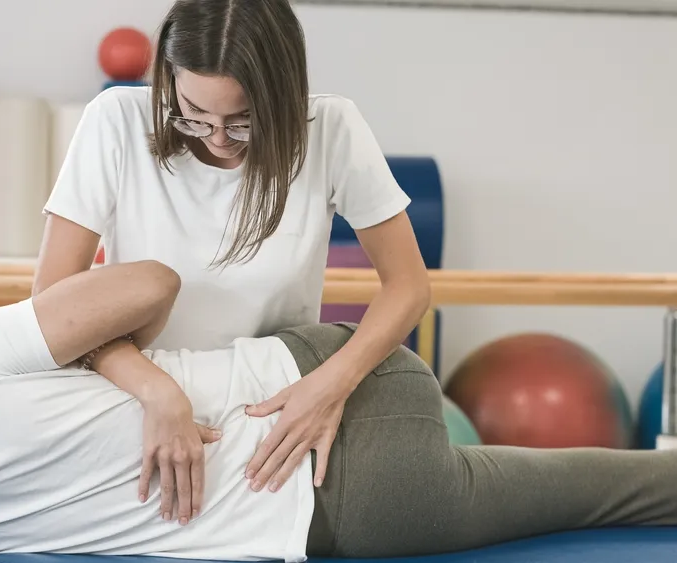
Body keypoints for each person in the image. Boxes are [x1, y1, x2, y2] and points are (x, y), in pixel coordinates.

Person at [0, 261, 677, 563]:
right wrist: (158, 390)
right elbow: (149, 280)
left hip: (365, 518)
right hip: (335, 373)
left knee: (621, 493)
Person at [35, 0, 431, 516]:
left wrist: (330, 385)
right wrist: (157, 392)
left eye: (244, 122)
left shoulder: (330, 127)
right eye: (194, 115)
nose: (218, 139)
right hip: (138, 396)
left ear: (282, 95)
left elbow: (409, 286)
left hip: (272, 409)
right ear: (170, 78)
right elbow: (50, 307)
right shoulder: (116, 121)